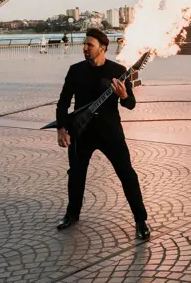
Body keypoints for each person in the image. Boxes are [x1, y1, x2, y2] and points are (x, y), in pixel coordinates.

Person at [55, 28, 151, 240]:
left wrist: (124, 95)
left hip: (110, 133)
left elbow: (131, 104)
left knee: (127, 174)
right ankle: (72, 214)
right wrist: (62, 129)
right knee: (76, 175)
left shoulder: (119, 70)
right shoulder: (75, 70)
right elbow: (63, 102)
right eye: (84, 44)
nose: (85, 48)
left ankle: (140, 220)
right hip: (81, 132)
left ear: (103, 48)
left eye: (90, 45)